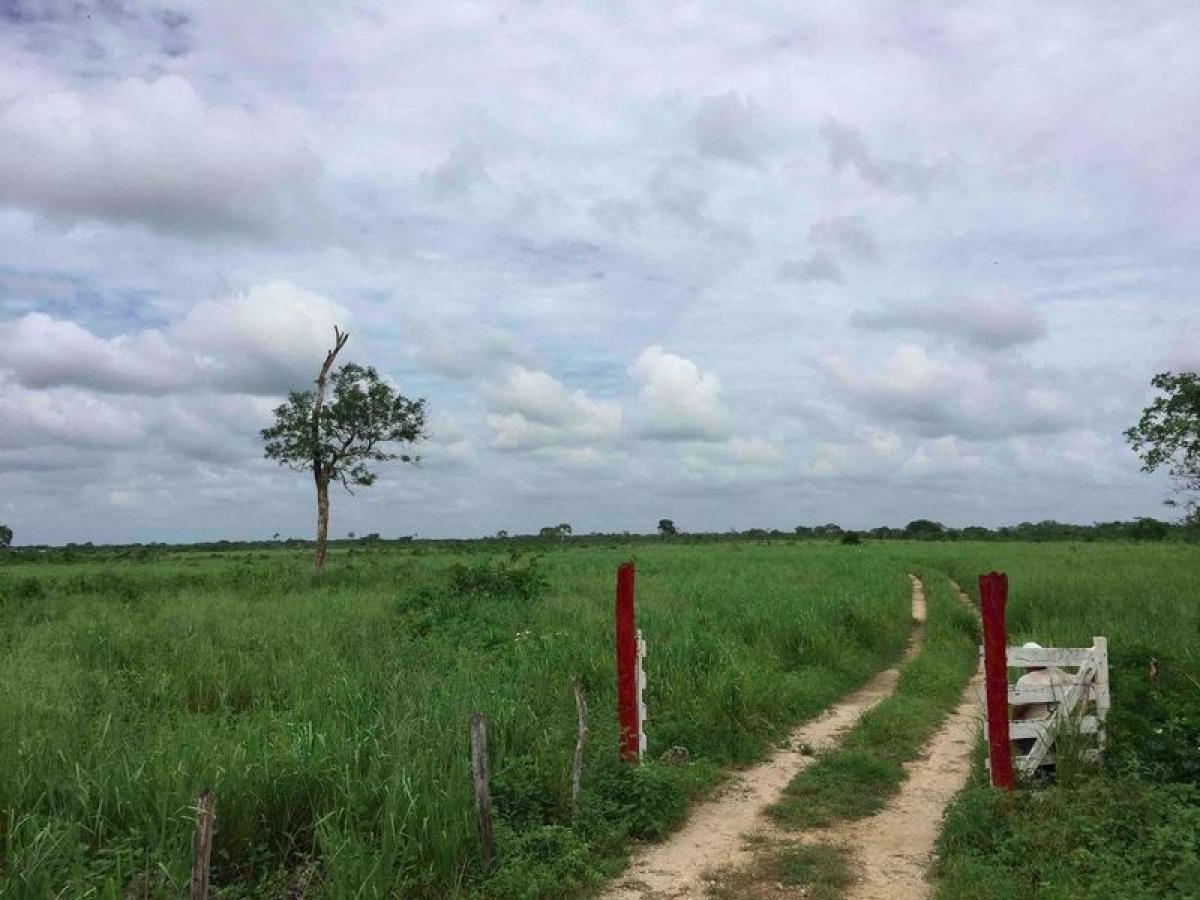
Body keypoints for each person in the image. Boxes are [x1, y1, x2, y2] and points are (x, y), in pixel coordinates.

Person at [1011, 641, 1071, 773]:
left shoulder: (1025, 681)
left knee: (1021, 734)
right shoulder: (1058, 674)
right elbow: (1080, 682)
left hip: (1034, 733)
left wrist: (1013, 728)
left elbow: (1019, 711)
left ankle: (1033, 773)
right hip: (1059, 729)